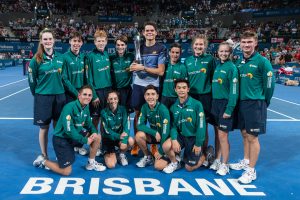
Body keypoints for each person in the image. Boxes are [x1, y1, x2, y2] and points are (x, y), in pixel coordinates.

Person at [229, 31, 275, 184]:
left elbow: (269, 85)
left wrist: (263, 101)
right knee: (244, 134)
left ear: (255, 43)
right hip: (241, 104)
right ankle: (246, 160)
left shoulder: (262, 61)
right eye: (244, 42)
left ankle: (251, 171)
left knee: (253, 137)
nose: (246, 45)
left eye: (249, 42)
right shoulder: (239, 62)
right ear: (240, 44)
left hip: (255, 103)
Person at [33, 85, 106, 175]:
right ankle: (43, 161)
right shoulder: (69, 107)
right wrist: (85, 140)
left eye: (90, 95)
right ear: (79, 95)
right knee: (66, 171)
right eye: (85, 94)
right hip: (62, 139)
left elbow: (89, 124)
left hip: (74, 136)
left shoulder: (86, 107)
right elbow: (69, 130)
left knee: (97, 137)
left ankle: (91, 163)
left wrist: (94, 132)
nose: (87, 97)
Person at [28, 28, 66, 167]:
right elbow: (32, 81)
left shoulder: (61, 57)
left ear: (54, 40)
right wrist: (38, 94)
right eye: (45, 39)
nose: (48, 41)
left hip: (60, 97)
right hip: (43, 98)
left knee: (58, 127)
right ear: (41, 41)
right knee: (44, 128)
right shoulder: (36, 59)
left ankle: (59, 153)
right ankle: (44, 155)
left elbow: (64, 78)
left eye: (50, 39)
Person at [129, 21, 167, 156]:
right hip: (138, 84)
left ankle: (155, 145)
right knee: (138, 114)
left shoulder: (161, 48)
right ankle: (136, 143)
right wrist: (133, 67)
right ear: (144, 33)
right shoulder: (138, 48)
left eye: (152, 30)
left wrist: (143, 68)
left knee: (154, 115)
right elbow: (136, 65)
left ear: (156, 32)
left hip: (153, 85)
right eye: (147, 31)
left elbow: (161, 71)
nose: (149, 32)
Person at [184, 34, 217, 166]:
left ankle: (204, 151)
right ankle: (194, 151)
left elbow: (214, 78)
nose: (198, 47)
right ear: (192, 46)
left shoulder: (210, 60)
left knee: (205, 126)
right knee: (192, 125)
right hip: (191, 97)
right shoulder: (187, 61)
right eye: (196, 44)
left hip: (205, 97)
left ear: (205, 46)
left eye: (201, 45)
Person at [209, 42, 239, 176]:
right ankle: (217, 159)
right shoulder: (217, 65)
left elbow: (234, 91)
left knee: (223, 135)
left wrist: (229, 109)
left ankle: (225, 164)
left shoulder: (232, 68)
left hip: (225, 105)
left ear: (230, 53)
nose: (223, 53)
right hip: (215, 103)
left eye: (226, 51)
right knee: (217, 134)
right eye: (221, 51)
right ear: (218, 52)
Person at [169, 79, 207, 171]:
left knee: (189, 168)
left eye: (184, 88)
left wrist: (198, 144)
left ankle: (206, 155)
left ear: (188, 89)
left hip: (193, 138)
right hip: (181, 137)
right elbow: (173, 126)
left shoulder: (197, 105)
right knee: (167, 146)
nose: (181, 90)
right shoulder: (173, 107)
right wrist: (174, 139)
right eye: (179, 88)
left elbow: (201, 126)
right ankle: (177, 159)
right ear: (175, 90)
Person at [62, 31, 89, 156]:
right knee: (71, 121)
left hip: (82, 96)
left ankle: (78, 145)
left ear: (82, 43)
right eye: (74, 41)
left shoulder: (83, 57)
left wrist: (84, 93)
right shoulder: (65, 57)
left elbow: (86, 77)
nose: (76, 43)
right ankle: (69, 145)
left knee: (82, 121)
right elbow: (65, 79)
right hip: (71, 95)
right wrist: (76, 93)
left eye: (79, 41)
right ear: (70, 42)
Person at [135, 85, 173, 170]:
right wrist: (154, 132)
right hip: (156, 135)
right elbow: (139, 125)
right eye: (147, 94)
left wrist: (160, 151)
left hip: (166, 137)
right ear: (144, 96)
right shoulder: (144, 107)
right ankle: (148, 156)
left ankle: (173, 157)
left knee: (158, 166)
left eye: (153, 94)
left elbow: (165, 133)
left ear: (157, 96)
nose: (150, 97)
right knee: (139, 135)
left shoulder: (163, 110)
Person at [101, 90, 134, 168]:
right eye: (111, 99)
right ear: (107, 100)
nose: (113, 101)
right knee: (111, 165)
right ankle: (105, 150)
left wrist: (124, 141)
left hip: (120, 138)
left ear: (118, 99)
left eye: (115, 98)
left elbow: (127, 126)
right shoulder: (103, 112)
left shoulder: (123, 110)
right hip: (108, 139)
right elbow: (106, 130)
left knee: (131, 141)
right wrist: (119, 136)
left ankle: (121, 154)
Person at [87, 30, 112, 130]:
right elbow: (89, 78)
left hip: (108, 91)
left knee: (105, 118)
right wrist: (94, 95)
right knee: (96, 118)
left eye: (103, 41)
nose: (101, 43)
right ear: (95, 42)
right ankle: (94, 142)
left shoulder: (106, 54)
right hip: (97, 92)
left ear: (106, 42)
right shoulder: (90, 57)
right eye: (99, 41)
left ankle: (104, 142)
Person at [110, 35, 134, 111]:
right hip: (114, 89)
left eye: (122, 45)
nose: (120, 47)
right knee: (114, 111)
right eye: (118, 45)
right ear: (115, 46)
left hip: (127, 90)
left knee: (127, 112)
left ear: (126, 46)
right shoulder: (111, 57)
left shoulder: (131, 56)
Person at [161, 43, 187, 109]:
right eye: (172, 52)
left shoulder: (183, 67)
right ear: (169, 53)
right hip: (164, 97)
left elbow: (184, 85)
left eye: (177, 53)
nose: (174, 55)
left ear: (180, 54)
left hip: (177, 98)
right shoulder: (164, 66)